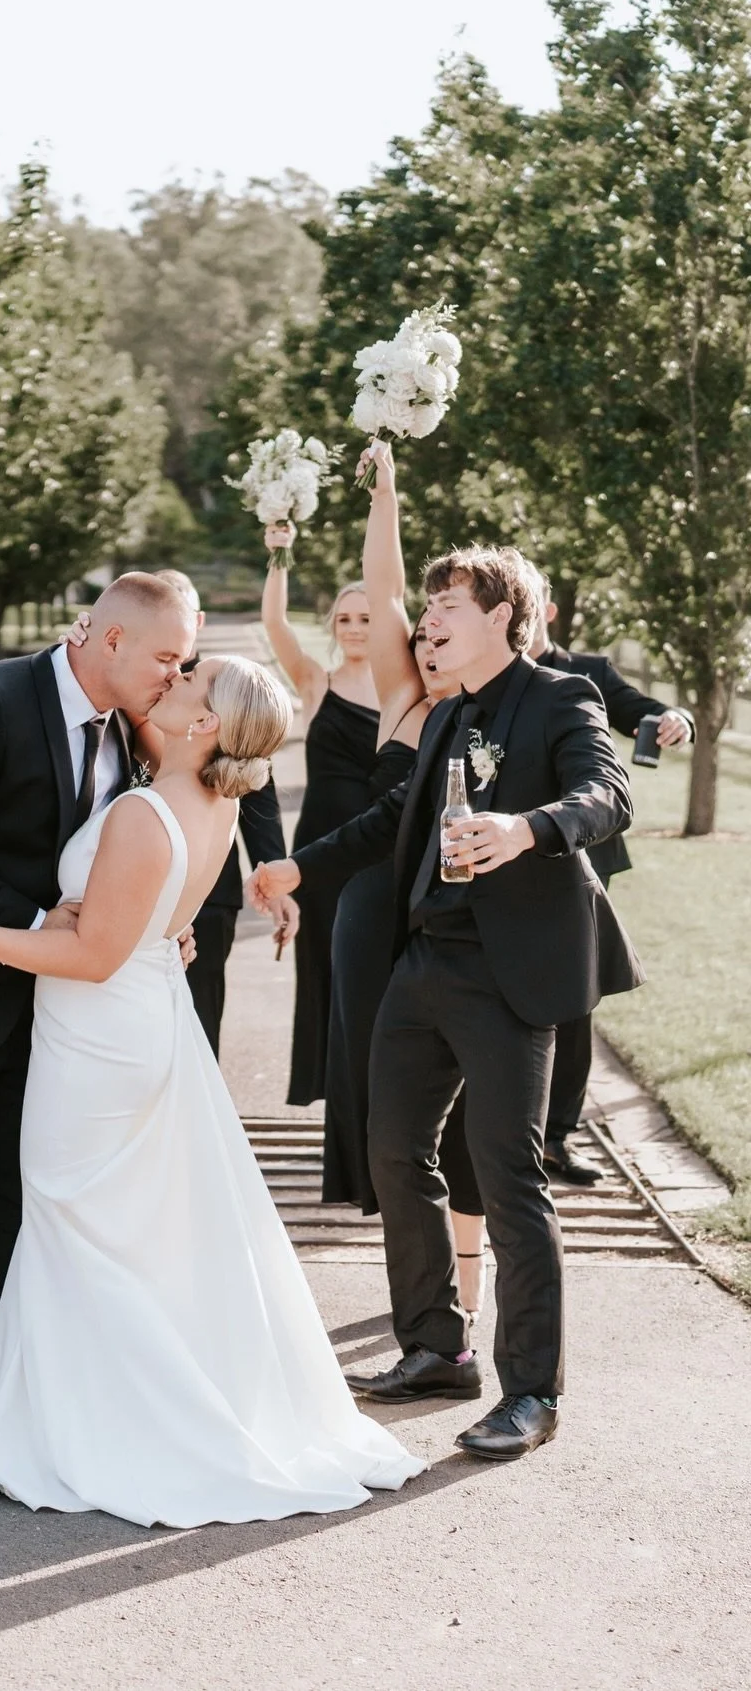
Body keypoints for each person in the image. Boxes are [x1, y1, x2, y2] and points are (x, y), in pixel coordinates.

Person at [0, 656, 424, 1525]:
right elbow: (157, 919)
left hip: (98, 1037)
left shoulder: (148, 814)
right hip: (140, 1021)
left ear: (205, 725)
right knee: (111, 1229)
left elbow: (91, 953)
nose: (176, 679)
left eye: (193, 680)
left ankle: (100, 1423)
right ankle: (91, 1400)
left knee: (76, 1223)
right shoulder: (213, 803)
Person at [250, 544, 641, 1460]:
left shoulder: (561, 698)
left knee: (510, 1178)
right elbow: (395, 820)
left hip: (513, 975)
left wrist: (527, 828)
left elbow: (607, 793)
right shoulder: (443, 716)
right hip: (424, 964)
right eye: (426, 607)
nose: (426, 622)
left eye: (447, 605)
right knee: (391, 1149)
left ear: (502, 615)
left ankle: (532, 1392)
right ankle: (435, 1345)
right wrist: (300, 864)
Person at [0, 575, 198, 1501]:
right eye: (168, 657)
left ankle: (13, 1407)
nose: (179, 675)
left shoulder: (136, 733)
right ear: (107, 639)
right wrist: (34, 917)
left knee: (23, 1221)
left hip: (57, 1030)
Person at [323, 442, 487, 1320]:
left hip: (451, 921)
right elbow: (384, 588)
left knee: (467, 1105)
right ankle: (422, 1290)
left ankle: (466, 1282)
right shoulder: (402, 700)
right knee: (393, 1104)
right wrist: (386, 492)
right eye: (416, 631)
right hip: (368, 917)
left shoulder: (482, 710)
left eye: (437, 628)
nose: (422, 638)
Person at [528, 581, 694, 1186]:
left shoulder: (588, 671)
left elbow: (638, 711)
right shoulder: (473, 671)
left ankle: (555, 1139)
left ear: (542, 609)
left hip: (579, 856)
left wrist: (673, 718)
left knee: (575, 998)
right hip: (494, 854)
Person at [149, 571, 294, 1056]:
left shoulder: (216, 691)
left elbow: (256, 790)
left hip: (208, 891)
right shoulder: (138, 689)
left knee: (199, 1018)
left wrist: (272, 869)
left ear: (198, 620)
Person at [260, 528, 380, 1106]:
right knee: (322, 973)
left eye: (366, 619)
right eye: (345, 620)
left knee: (372, 976)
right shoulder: (316, 682)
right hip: (318, 848)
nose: (355, 629)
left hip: (378, 849)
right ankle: (330, 1097)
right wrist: (279, 553)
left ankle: (374, 1100)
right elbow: (276, 626)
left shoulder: (409, 690)